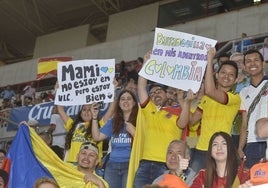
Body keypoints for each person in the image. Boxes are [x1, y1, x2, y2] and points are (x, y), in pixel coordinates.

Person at [179, 47, 241, 176]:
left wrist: (209, 60)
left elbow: (210, 90)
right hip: (201, 149)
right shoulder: (206, 99)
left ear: (235, 80)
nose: (226, 77)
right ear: (217, 75)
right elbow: (191, 121)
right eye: (223, 72)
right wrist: (186, 102)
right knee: (193, 183)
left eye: (231, 75)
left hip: (222, 151)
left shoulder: (235, 99)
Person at [129, 51, 185, 188]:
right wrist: (146, 63)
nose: (155, 95)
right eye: (152, 93)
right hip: (145, 164)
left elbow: (186, 121)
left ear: (167, 94)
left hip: (166, 166)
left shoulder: (178, 112)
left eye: (158, 91)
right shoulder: (149, 110)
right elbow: (141, 86)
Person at [91, 90, 138, 188]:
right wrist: (94, 117)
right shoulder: (113, 122)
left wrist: (134, 132)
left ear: (134, 102)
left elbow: (144, 142)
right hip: (112, 165)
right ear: (119, 103)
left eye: (129, 99)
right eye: (122, 99)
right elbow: (97, 137)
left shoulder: (140, 120)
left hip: (130, 164)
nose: (125, 101)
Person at [238, 49, 268, 169]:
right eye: (248, 61)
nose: (253, 64)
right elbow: (244, 123)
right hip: (251, 144)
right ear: (244, 67)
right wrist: (240, 147)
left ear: (263, 63)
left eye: (256, 60)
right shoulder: (243, 92)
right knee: (253, 181)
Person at [230, 52, 250, 149]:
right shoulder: (225, 84)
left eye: (240, 61)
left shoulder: (251, 82)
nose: (238, 64)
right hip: (228, 129)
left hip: (247, 129)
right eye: (235, 62)